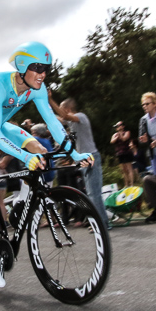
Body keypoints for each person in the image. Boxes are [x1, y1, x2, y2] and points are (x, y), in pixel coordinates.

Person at [0, 42, 93, 288]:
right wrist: (23, 156)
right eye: (38, 68)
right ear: (22, 66)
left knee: (40, 150)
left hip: (1, 126)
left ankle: (23, 197)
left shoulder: (38, 88)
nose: (43, 74)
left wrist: (73, 153)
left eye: (46, 69)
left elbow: (53, 124)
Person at [50, 97, 108, 228]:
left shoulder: (81, 117)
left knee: (94, 193)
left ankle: (102, 224)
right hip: (83, 160)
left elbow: (63, 116)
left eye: (62, 109)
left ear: (68, 109)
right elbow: (57, 118)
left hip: (91, 157)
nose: (61, 113)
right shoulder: (71, 123)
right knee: (90, 193)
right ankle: (99, 223)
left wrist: (49, 99)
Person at [111, 121, 135, 187]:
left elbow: (124, 139)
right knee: (123, 170)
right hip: (119, 154)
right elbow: (112, 141)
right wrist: (116, 137)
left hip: (127, 152)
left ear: (123, 126)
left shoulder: (127, 132)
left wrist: (121, 133)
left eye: (118, 126)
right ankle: (126, 184)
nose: (117, 128)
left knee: (129, 169)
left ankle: (132, 184)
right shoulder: (115, 134)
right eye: (116, 126)